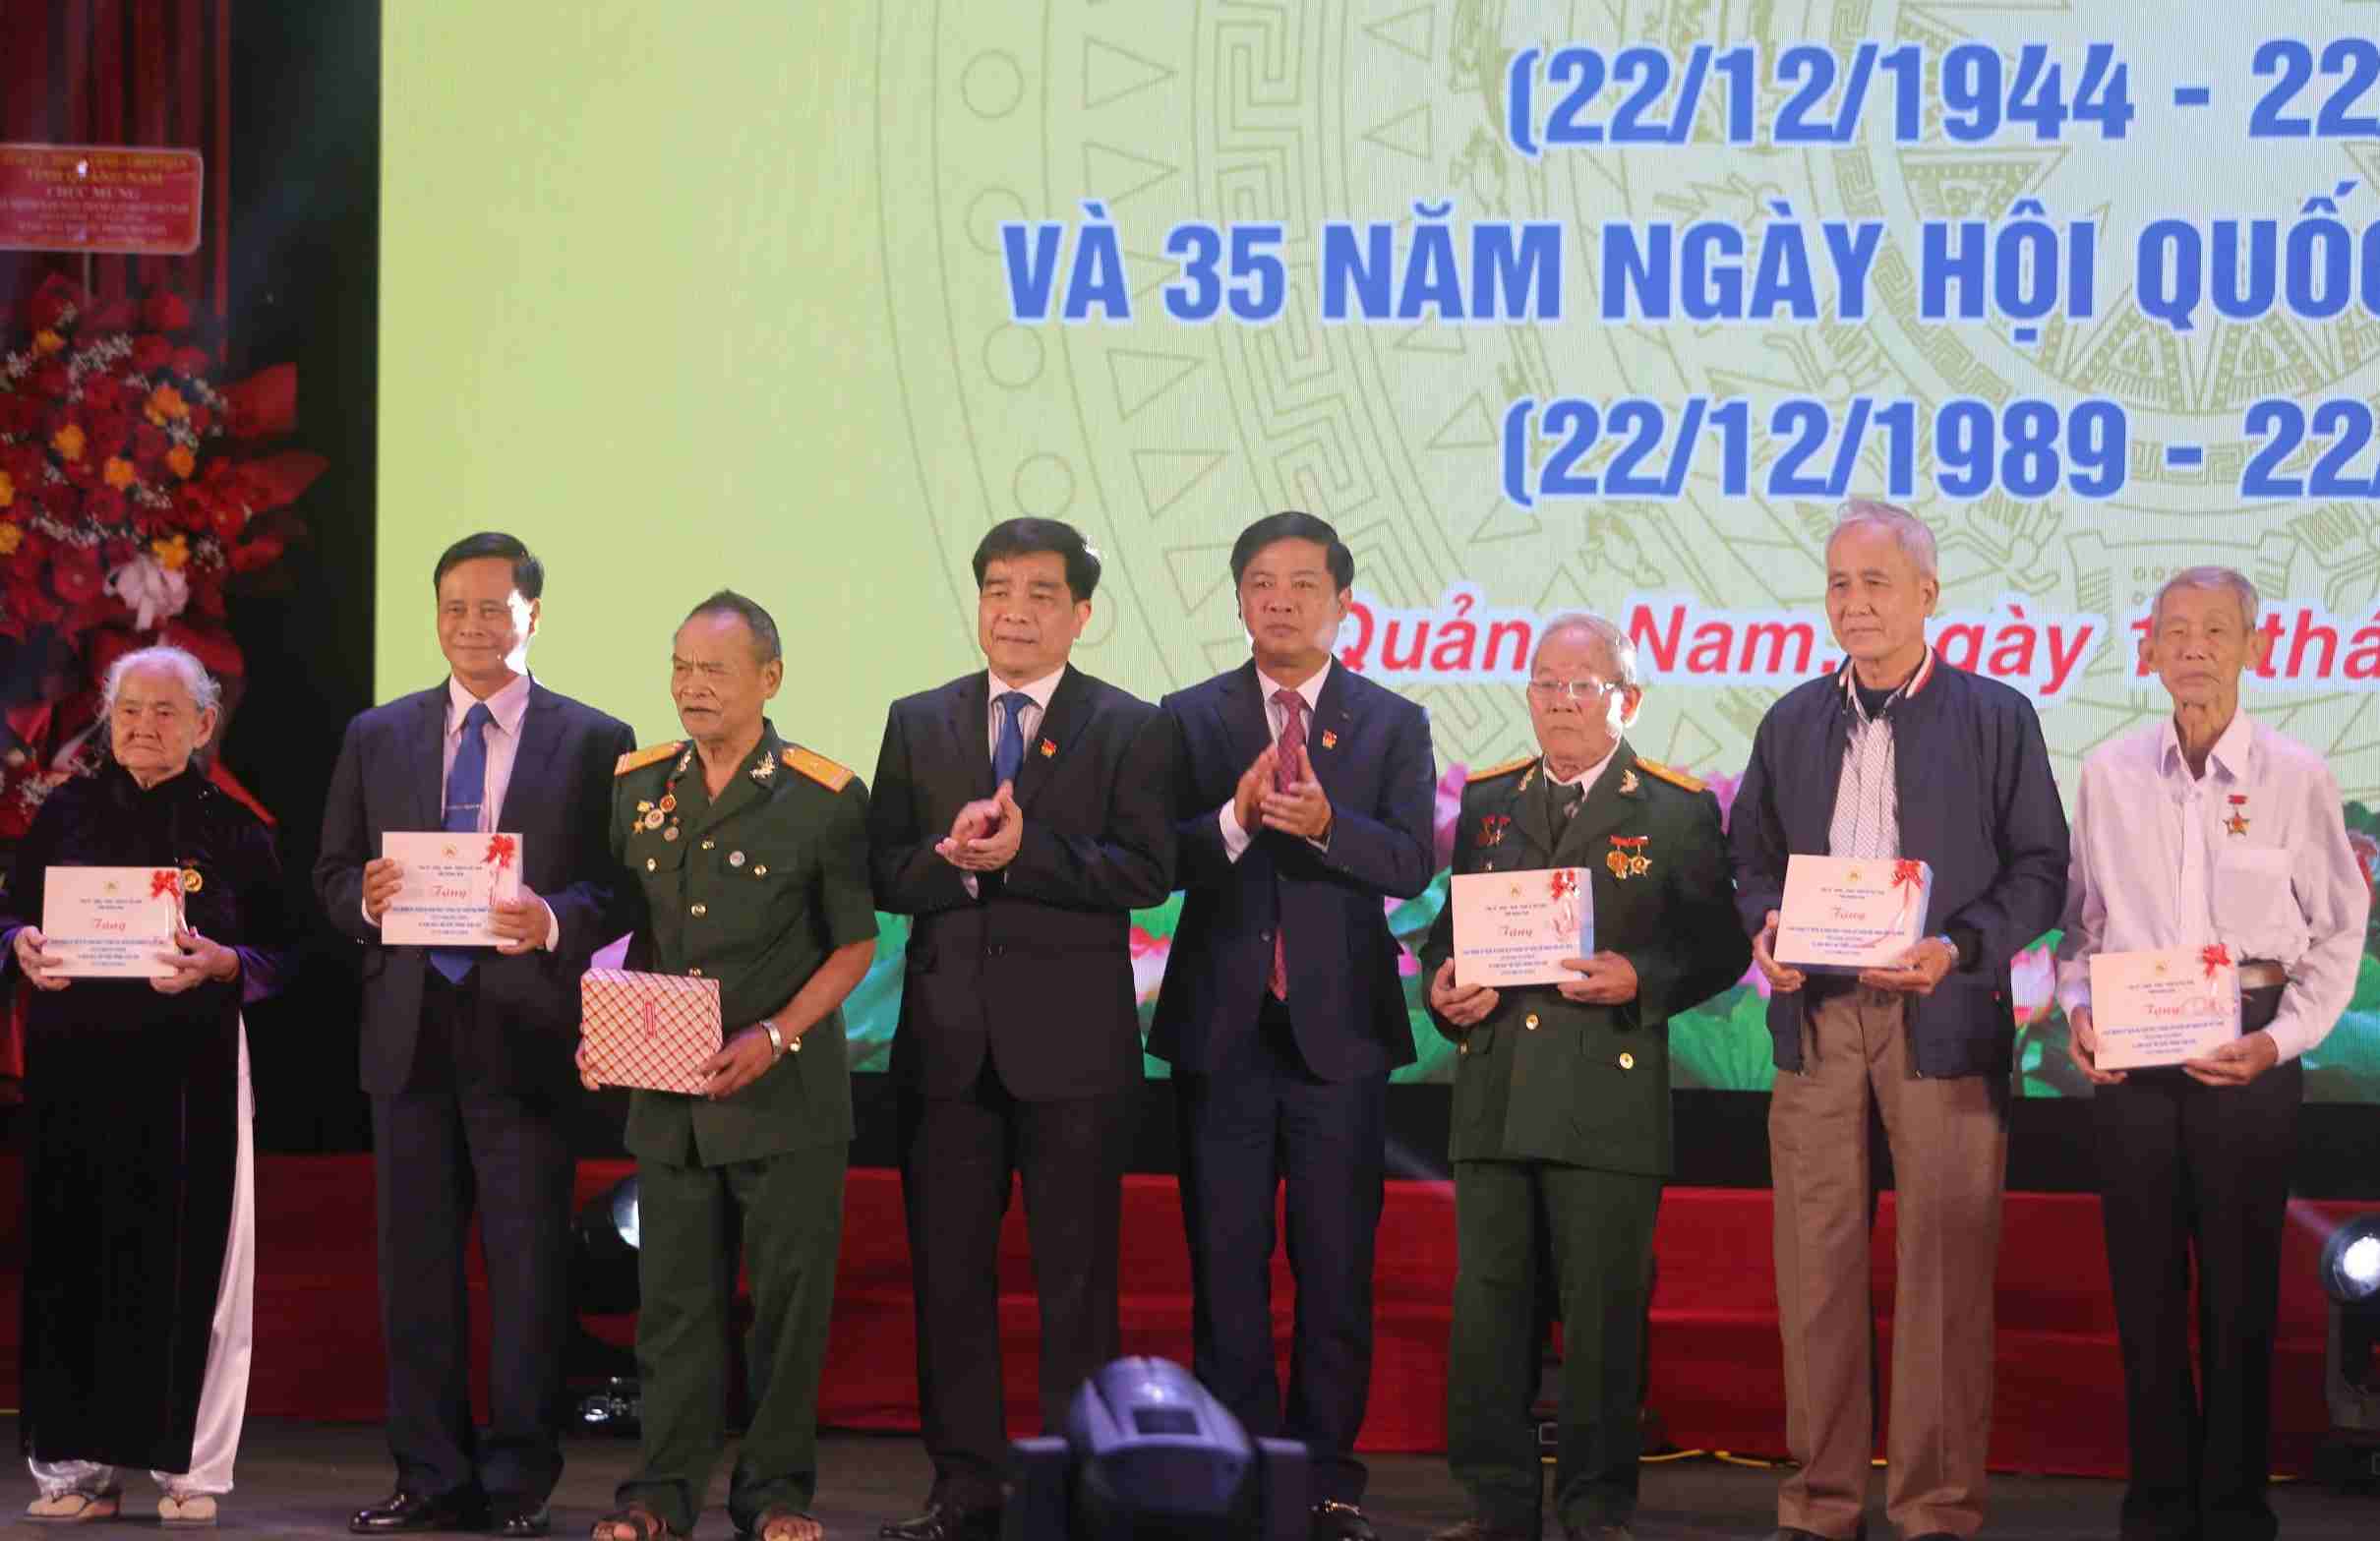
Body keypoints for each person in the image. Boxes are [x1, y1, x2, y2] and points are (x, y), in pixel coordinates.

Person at [1728, 501, 2068, 1541]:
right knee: (1816, 1268)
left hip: (1939, 1020)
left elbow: (2040, 871)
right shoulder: (1790, 717)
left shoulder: (1993, 714)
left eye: (1875, 581)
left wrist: (1958, 946)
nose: (1853, 602)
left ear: (1926, 594)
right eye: (1837, 582)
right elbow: (1748, 857)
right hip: (1818, 1022)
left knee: (1941, 1272)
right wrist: (1763, 923)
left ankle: (1932, 1507)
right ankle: (1818, 1503)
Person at [316, 532, 635, 1537]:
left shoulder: (593, 738)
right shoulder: (379, 733)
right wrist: (362, 903)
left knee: (528, 1271)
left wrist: (550, 916)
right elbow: (330, 876)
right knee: (415, 1273)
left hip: (526, 1032)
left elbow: (617, 885)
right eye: (455, 607)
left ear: (533, 615)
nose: (471, 627)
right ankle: (427, 1476)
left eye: (493, 608)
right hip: (407, 1035)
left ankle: (513, 1483)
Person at [867, 519, 1176, 1541]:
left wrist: (1025, 851)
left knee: (1074, 1288)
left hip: (1073, 1052)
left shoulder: (1128, 727)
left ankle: (1070, 1488)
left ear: (1081, 614)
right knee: (948, 1281)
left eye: (1040, 593)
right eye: (997, 589)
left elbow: (1143, 871)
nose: (1013, 609)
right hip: (947, 1049)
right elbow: (882, 870)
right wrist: (956, 862)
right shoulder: (918, 720)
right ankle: (962, 1487)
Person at [2055, 566, 2368, 1541]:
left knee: (2239, 1296)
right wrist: (2076, 1012)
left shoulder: (2296, 776)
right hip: (2135, 1067)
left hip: (2248, 1060)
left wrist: (2276, 1042)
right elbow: (2079, 929)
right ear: (2143, 650)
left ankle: (2234, 1510)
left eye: (2215, 631)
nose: (2192, 647)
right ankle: (2154, 1508)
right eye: (2173, 630)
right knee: (2144, 1295)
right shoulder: (2106, 775)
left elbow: (2336, 931)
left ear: (2253, 648)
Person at [1419, 615, 1749, 1541]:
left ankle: (1597, 1508)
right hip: (1495, 1089)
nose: (1561, 702)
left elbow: (1720, 946)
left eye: (1583, 685)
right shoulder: (1486, 802)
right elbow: (1447, 940)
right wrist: (1442, 983)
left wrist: (1644, 974)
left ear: (1627, 700)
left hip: (1607, 1093)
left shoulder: (1676, 809)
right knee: (1490, 1311)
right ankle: (1496, 1505)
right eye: (1544, 684)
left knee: (1604, 1315)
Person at [1151, 510, 1436, 1541]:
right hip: (1219, 1032)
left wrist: (1324, 824)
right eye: (1260, 582)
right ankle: (1238, 1475)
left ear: (1341, 602)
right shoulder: (1185, 718)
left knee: (1332, 1266)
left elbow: (1409, 860)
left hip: (1339, 1037)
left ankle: (1325, 1479)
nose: (1279, 599)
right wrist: (1231, 820)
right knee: (1223, 1264)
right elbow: (1154, 859)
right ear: (1235, 600)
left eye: (1302, 583)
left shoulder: (1391, 722)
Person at [591, 591, 876, 1541]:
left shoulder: (823, 796)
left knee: (787, 1316)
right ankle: (659, 1496)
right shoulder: (639, 784)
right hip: (670, 1095)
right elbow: (625, 927)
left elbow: (854, 948)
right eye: (680, 666)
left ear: (771, 678)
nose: (690, 686)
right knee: (674, 1310)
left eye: (714, 670)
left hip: (786, 1098)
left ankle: (775, 1497)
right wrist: (602, 1025)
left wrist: (779, 1034)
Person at [3, 645, 294, 1525]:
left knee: (192, 1266)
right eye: (129, 709)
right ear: (108, 716)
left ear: (204, 724)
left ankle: (190, 1468)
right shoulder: (65, 813)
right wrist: (16, 943)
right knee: (70, 1258)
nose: (144, 726)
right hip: (73, 1071)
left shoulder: (237, 830)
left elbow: (285, 956)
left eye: (167, 712)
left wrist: (223, 963)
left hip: (189, 1078)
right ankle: (74, 1469)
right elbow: (13, 911)